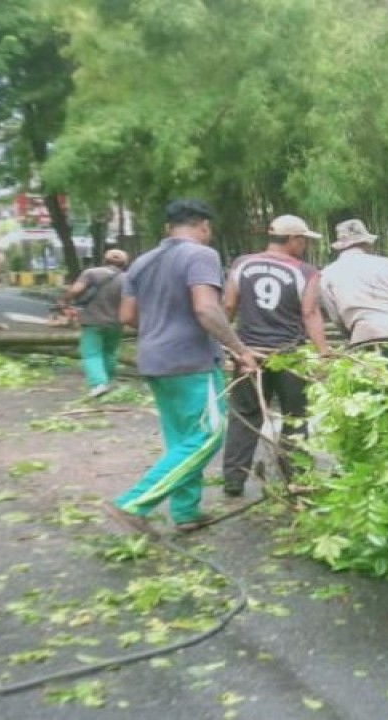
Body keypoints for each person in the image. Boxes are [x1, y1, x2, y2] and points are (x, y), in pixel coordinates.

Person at [102, 199, 260, 535]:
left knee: (182, 439)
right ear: (204, 225)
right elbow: (206, 309)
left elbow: (127, 316)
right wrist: (239, 349)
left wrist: (162, 329)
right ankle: (133, 503)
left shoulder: (142, 262)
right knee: (208, 435)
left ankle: (186, 511)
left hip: (153, 359)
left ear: (167, 228)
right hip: (190, 361)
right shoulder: (200, 254)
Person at [220, 214, 331, 497]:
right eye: (303, 240)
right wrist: (323, 352)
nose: (304, 246)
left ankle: (234, 479)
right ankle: (293, 476)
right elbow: (310, 313)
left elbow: (229, 305)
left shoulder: (241, 264)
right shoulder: (305, 271)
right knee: (296, 417)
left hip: (249, 354)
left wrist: (226, 345)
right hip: (289, 356)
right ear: (293, 239)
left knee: (245, 414)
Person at [318, 218, 388, 371]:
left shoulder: (327, 274)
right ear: (367, 243)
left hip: (365, 338)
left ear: (340, 247)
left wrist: (352, 334)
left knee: (372, 390)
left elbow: (336, 317)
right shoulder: (386, 264)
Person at [61, 248, 129, 398]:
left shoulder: (92, 273)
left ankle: (98, 384)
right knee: (109, 352)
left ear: (105, 260)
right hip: (116, 322)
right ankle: (109, 381)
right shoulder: (128, 279)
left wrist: (64, 301)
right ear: (124, 264)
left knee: (91, 353)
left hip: (92, 320)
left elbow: (75, 290)